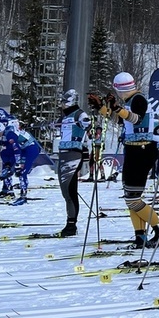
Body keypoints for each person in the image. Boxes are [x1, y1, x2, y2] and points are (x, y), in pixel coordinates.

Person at [103, 72, 159, 249]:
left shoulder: (139, 99)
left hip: (142, 150)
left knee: (133, 199)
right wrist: (103, 109)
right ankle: (140, 236)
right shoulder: (131, 101)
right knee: (131, 197)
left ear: (119, 88)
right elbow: (120, 120)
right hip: (134, 150)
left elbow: (136, 119)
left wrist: (117, 109)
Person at [54, 90, 91, 237]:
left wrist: (85, 123)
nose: (61, 105)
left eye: (63, 102)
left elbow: (87, 124)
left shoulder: (79, 114)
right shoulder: (66, 116)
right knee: (65, 191)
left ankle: (71, 225)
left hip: (73, 154)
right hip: (64, 153)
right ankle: (70, 223)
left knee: (69, 190)